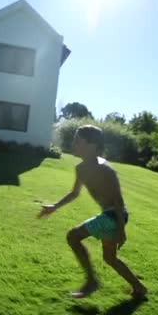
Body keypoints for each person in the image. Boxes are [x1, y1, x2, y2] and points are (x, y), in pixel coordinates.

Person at [38, 125, 147, 299]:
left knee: (73, 236)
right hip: (110, 216)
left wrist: (121, 230)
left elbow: (118, 201)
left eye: (78, 141)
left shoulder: (106, 169)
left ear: (92, 145)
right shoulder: (80, 168)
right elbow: (74, 193)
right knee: (110, 259)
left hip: (114, 215)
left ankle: (91, 282)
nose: (73, 144)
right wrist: (54, 206)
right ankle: (139, 288)